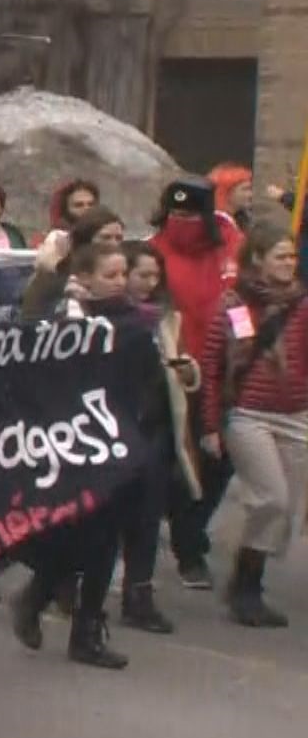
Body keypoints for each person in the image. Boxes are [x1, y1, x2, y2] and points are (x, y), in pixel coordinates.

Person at [8, 242, 140, 670]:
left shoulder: (136, 323)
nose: (120, 282)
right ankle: (37, 593)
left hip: (117, 442)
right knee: (68, 535)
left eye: (124, 274)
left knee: (106, 539)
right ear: (85, 280)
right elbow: (30, 356)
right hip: (68, 444)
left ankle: (87, 630)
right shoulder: (69, 320)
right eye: (110, 275)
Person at [199, 221, 306, 628]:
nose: (288, 264)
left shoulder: (302, 304)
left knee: (287, 510)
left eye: (292, 256)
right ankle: (246, 583)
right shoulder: (233, 304)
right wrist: (211, 425)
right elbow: (212, 367)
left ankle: (247, 584)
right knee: (271, 498)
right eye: (280, 256)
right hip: (248, 414)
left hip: (296, 414)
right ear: (257, 259)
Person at [150, 178, 243, 589]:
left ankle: (189, 529)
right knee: (176, 461)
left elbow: (244, 307)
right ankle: (189, 549)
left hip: (224, 371)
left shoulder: (232, 248)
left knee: (220, 461)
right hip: (175, 372)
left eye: (191, 215)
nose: (183, 223)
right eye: (176, 215)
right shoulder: (154, 251)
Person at [115, 241, 195, 635]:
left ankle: (139, 594)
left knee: (148, 516)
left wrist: (187, 371)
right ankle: (67, 587)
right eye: (141, 275)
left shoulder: (166, 319)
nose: (150, 283)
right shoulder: (110, 317)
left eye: (154, 276)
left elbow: (186, 366)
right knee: (108, 514)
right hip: (117, 426)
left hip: (157, 426)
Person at [209, 163, 256, 232]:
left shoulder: (243, 219)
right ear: (227, 192)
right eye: (245, 189)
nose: (251, 195)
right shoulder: (215, 223)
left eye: (250, 189)